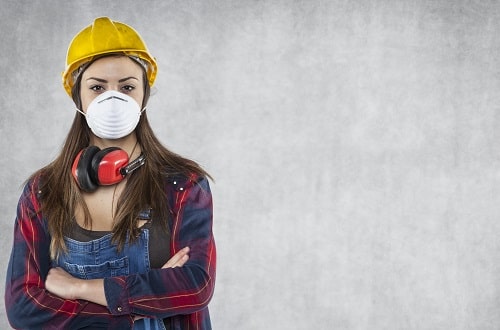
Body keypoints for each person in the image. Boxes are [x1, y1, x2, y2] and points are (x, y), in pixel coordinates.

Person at [4, 17, 216, 329]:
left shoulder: (182, 184)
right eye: (97, 87)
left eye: (127, 86)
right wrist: (141, 310)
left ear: (145, 94)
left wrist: (80, 289)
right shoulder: (43, 192)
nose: (113, 99)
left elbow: (195, 284)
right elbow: (24, 306)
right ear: (78, 96)